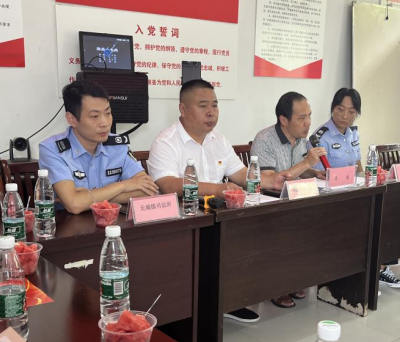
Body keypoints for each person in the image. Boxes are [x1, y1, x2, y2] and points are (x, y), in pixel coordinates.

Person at [148, 79, 289, 322]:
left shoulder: (218, 140)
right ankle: (199, 307)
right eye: (203, 106)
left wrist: (271, 181)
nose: (211, 112)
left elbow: (240, 174)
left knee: (266, 227)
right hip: (184, 220)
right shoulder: (166, 141)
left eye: (214, 105)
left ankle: (230, 299)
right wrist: (218, 189)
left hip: (218, 216)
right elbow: (167, 184)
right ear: (183, 109)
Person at [310, 88, 400, 290]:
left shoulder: (353, 132)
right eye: (340, 109)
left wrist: (366, 182)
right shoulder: (320, 137)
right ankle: (365, 273)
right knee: (364, 220)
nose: (345, 116)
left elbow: (357, 165)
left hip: (355, 193)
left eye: (351, 112)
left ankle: (378, 268)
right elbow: (316, 178)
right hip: (333, 198)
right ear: (332, 109)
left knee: (384, 213)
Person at [251, 91, 327, 308]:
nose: (308, 123)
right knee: (288, 227)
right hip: (268, 204)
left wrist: (315, 172)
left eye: (309, 116)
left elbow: (297, 170)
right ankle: (276, 286)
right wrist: (307, 163)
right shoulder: (265, 140)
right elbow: (268, 180)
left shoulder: (301, 139)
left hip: (294, 200)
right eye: (302, 118)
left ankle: (294, 279)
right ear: (284, 120)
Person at [39, 80, 159, 214]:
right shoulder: (52, 149)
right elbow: (75, 205)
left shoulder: (117, 145)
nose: (105, 123)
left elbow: (148, 190)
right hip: (69, 225)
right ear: (72, 119)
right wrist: (123, 186)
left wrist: (87, 198)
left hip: (112, 222)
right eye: (94, 116)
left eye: (108, 113)